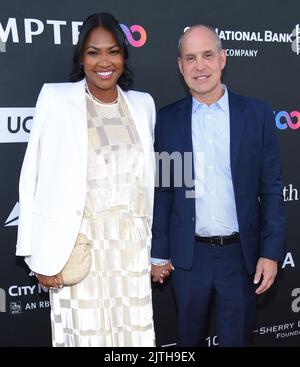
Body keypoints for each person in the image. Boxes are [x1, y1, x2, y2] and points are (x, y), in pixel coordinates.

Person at [16, 12, 156, 347]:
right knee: (84, 336)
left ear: (124, 55)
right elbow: (30, 176)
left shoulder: (142, 105)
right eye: (94, 52)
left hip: (130, 250)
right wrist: (35, 256)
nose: (104, 62)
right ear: (82, 57)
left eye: (113, 51)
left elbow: (146, 185)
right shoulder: (56, 99)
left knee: (131, 338)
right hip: (77, 245)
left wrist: (154, 251)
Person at [151, 25, 285, 347]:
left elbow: (271, 188)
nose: (200, 66)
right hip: (189, 258)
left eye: (207, 55)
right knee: (188, 342)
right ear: (181, 66)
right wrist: (160, 253)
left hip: (241, 258)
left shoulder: (256, 114)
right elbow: (169, 189)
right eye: (191, 58)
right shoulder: (170, 121)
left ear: (223, 59)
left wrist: (270, 252)